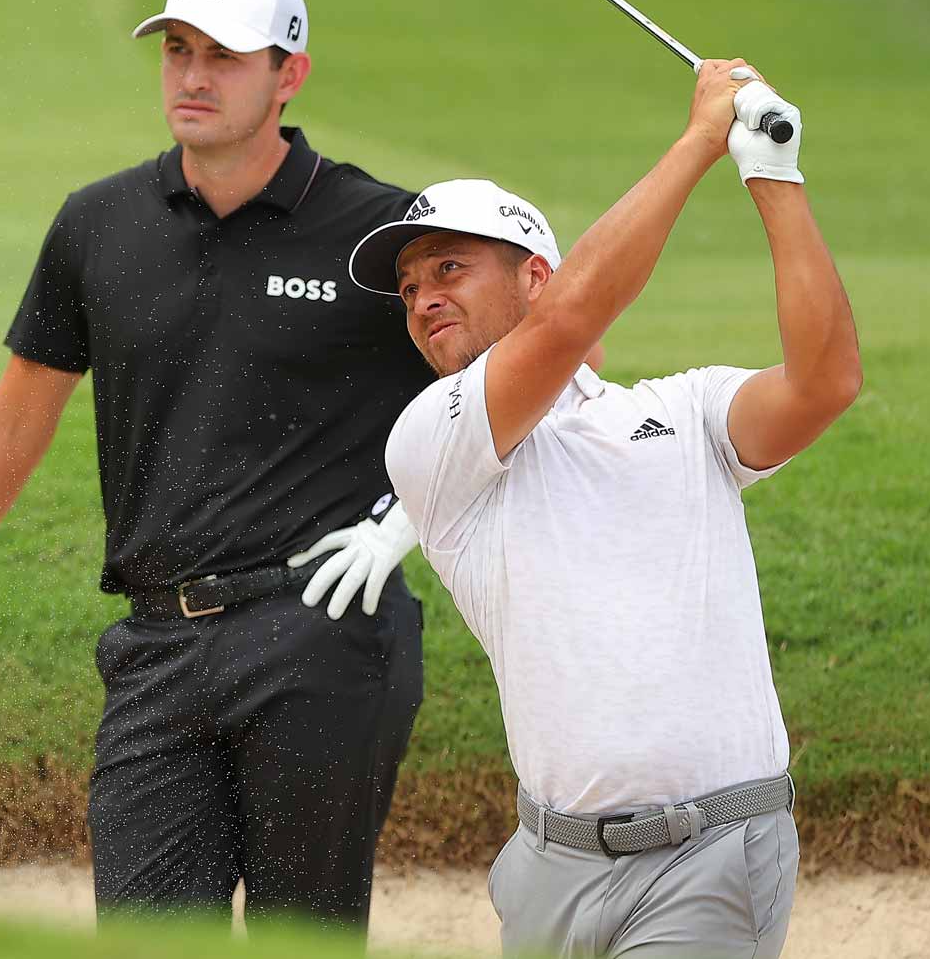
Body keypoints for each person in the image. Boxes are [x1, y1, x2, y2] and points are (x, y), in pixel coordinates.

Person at [0, 0, 447, 931]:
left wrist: (405, 524)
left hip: (321, 632)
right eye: (175, 50)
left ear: (289, 74)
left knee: (304, 938)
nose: (192, 77)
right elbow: (14, 416)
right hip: (155, 648)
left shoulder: (378, 234)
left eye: (224, 57)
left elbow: (501, 391)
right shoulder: (98, 223)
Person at [348, 60, 861, 957]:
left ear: (535, 276)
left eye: (451, 267)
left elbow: (824, 383)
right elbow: (570, 324)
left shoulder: (687, 412)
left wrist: (772, 174)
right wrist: (701, 137)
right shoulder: (431, 440)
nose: (423, 296)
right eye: (409, 287)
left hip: (712, 851)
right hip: (550, 867)